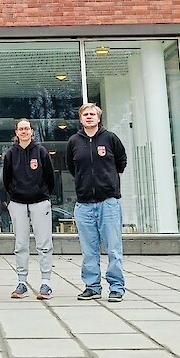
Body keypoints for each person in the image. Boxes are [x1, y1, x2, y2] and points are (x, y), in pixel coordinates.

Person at [65, 102, 128, 302]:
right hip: (84, 204)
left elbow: (121, 162)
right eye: (85, 114)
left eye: (92, 114)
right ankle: (92, 286)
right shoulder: (74, 141)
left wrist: (109, 181)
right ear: (80, 119)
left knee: (113, 248)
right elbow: (72, 167)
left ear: (99, 118)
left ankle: (116, 287)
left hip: (108, 203)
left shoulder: (110, 138)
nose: (89, 117)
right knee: (88, 249)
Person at [2, 118, 56, 300]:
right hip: (17, 203)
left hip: (40, 202)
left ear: (32, 131)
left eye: (27, 128)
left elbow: (50, 177)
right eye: (21, 129)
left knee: (44, 244)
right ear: (16, 132)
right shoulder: (10, 154)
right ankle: (22, 282)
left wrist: (43, 194)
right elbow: (6, 179)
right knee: (20, 244)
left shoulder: (41, 152)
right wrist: (13, 197)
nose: (24, 131)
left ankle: (46, 282)